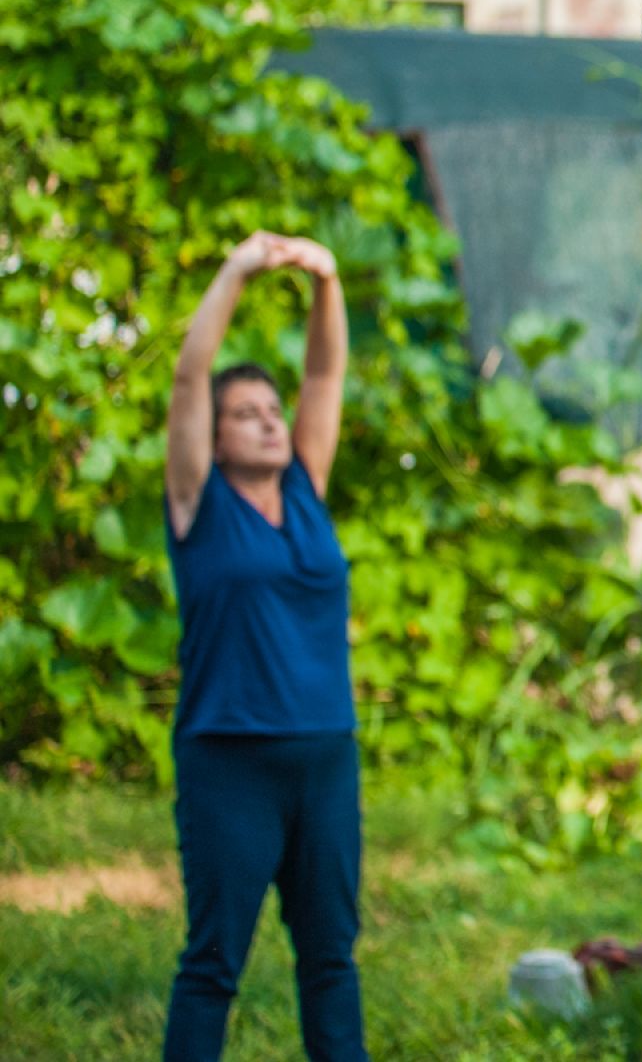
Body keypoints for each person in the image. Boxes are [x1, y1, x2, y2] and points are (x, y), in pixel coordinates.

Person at [162, 231, 366, 1061]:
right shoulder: (197, 505)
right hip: (230, 761)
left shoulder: (304, 490)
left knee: (331, 960)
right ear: (214, 436)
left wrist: (326, 280)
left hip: (324, 758)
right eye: (245, 414)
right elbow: (186, 377)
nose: (270, 422)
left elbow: (324, 376)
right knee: (214, 963)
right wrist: (238, 268)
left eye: (272, 411)